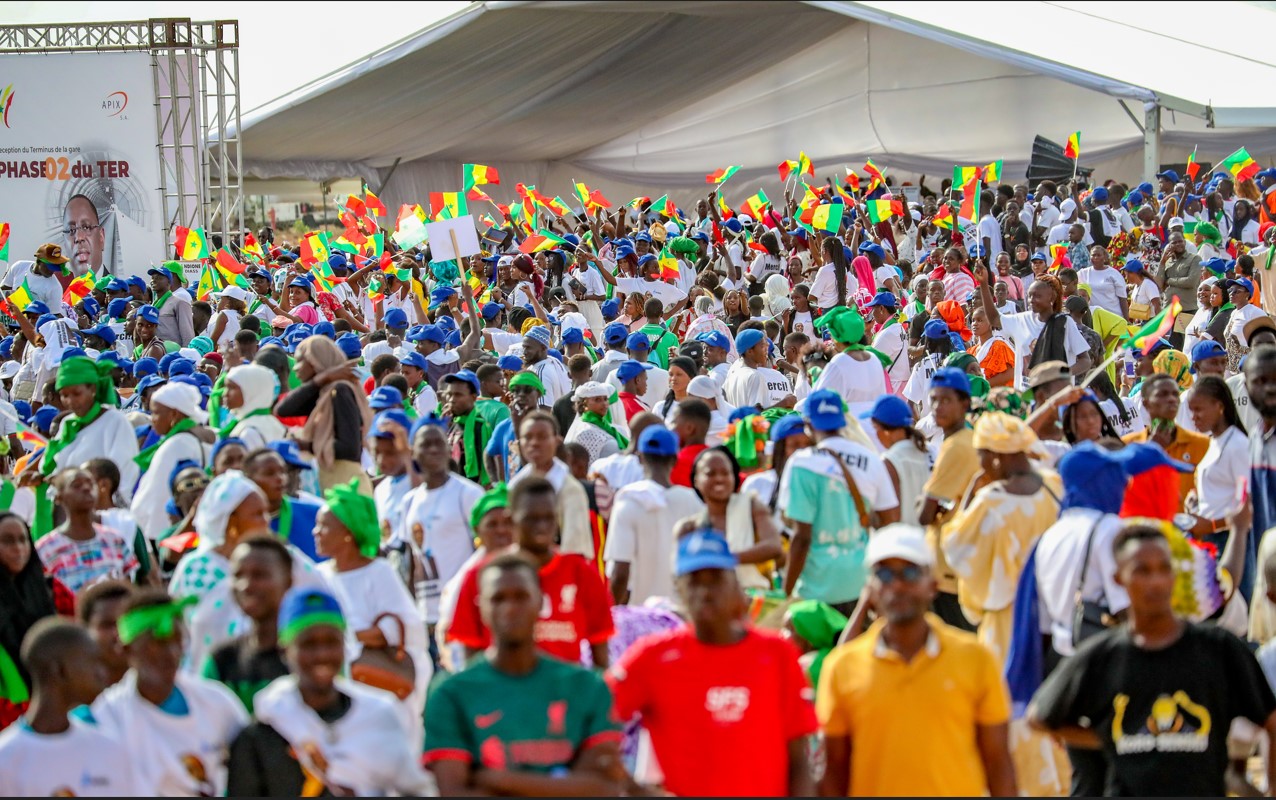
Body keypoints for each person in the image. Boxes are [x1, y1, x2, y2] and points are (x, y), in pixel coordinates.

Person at [1029, 520, 1276, 797]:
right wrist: (1110, 738)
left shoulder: (1219, 649)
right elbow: (1040, 716)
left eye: (1164, 569)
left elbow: (1271, 720)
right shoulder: (1102, 657)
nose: (1156, 581)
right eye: (1142, 571)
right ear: (1119, 578)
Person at [607, 529, 817, 797]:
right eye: (694, 581)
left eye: (716, 579)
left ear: (734, 585)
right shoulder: (653, 657)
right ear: (680, 590)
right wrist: (635, 789)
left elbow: (799, 759)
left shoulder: (777, 654)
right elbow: (594, 720)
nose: (705, 592)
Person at [817, 523, 1017, 797]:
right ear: (870, 589)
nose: (897, 585)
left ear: (932, 586)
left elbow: (997, 761)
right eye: (884, 575)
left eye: (910, 573)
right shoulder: (842, 667)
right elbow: (834, 770)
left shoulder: (975, 658)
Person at [424, 553, 624, 795]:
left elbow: (604, 788)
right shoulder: (451, 694)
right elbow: (454, 792)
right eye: (498, 599)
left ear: (540, 602)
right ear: (482, 608)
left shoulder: (587, 688)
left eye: (521, 597)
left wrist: (496, 780)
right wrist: (563, 786)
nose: (510, 608)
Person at [227, 588, 433, 796]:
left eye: (332, 642)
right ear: (284, 650)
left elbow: (416, 790)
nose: (322, 654)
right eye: (308, 644)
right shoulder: (268, 728)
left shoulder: (378, 714)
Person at [89, 589, 249, 796]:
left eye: (178, 641)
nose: (172, 653)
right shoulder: (109, 717)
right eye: (159, 643)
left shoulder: (217, 703)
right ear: (127, 649)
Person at [447, 475, 614, 667]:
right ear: (512, 519)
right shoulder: (482, 576)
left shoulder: (582, 574)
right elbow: (471, 659)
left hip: (564, 694)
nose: (542, 527)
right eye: (532, 519)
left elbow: (601, 659)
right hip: (503, 694)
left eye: (548, 518)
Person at [314, 478, 431, 735]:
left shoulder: (378, 572)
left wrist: (348, 636)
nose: (315, 532)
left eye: (323, 526)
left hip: (375, 681)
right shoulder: (317, 575)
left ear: (347, 532)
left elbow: (403, 626)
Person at [778, 389, 900, 616]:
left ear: (808, 425)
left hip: (816, 588)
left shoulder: (802, 463)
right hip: (860, 584)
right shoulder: (871, 459)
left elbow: (802, 536)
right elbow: (890, 522)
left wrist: (786, 591)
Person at [0, 617, 139, 796]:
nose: (102, 673)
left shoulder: (109, 748)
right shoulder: (6, 760)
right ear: (59, 670)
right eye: (93, 662)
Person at [604, 426, 705, 605]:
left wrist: (613, 616)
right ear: (674, 460)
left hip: (641, 619)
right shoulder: (693, 502)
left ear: (640, 458)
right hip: (681, 617)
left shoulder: (628, 501)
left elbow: (620, 572)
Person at [400, 420, 483, 629]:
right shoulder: (409, 501)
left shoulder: (468, 494)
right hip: (425, 615)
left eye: (439, 443)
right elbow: (411, 558)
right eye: (426, 445)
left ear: (449, 450)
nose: (433, 449)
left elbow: (482, 551)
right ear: (414, 453)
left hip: (461, 610)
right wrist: (411, 610)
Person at [917, 366, 981, 629]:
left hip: (948, 566)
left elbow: (925, 514)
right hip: (957, 559)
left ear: (964, 403)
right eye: (934, 399)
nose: (938, 407)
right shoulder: (963, 439)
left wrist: (923, 502)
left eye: (946, 400)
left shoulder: (956, 447)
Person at [200, 537, 292, 713]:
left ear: (288, 581)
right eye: (238, 575)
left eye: (260, 575)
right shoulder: (221, 661)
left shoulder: (313, 653)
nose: (246, 585)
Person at [674, 445, 783, 591]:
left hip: (752, 600)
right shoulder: (690, 527)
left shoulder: (751, 506)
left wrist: (724, 558)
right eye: (710, 474)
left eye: (725, 473)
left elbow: (774, 547)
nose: (719, 479)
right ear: (696, 481)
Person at [0, 512, 73, 730]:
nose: (19, 548)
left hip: (53, 706)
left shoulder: (51, 589)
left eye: (23, 539)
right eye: (7, 541)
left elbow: (77, 635)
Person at [275, 336, 373, 492]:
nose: (295, 368)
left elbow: (349, 448)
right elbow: (283, 409)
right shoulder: (323, 392)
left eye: (301, 361)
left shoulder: (340, 391)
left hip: (346, 486)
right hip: (332, 480)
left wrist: (306, 445)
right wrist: (320, 379)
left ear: (317, 362)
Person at [131, 382, 212, 544]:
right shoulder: (201, 435)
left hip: (167, 535)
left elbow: (157, 498)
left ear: (174, 414)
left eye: (155, 413)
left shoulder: (177, 444)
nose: (152, 420)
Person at [37, 467, 140, 593]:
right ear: (59, 497)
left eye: (90, 483)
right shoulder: (46, 549)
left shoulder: (114, 539)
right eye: (76, 485)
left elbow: (128, 585)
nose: (86, 488)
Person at [220, 364, 285, 450]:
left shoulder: (249, 433)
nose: (225, 394)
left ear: (250, 390)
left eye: (232, 388)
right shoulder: (272, 422)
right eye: (226, 387)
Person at [565, 380, 627, 462]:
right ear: (584, 404)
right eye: (597, 400)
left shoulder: (607, 426)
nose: (604, 403)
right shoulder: (585, 431)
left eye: (605, 399)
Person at [62, 193, 106, 276]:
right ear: (65, 245)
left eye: (86, 227)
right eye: (71, 230)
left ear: (101, 237)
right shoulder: (56, 288)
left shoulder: (121, 289)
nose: (79, 237)